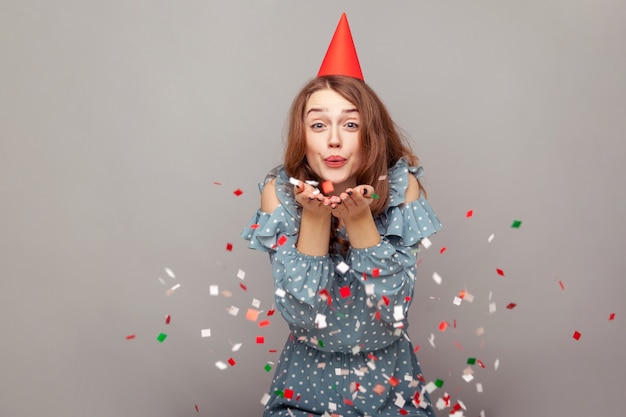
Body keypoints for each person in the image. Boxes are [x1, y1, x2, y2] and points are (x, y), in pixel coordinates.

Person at [241, 13, 442, 417]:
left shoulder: (402, 185)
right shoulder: (278, 192)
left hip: (390, 389)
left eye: (350, 124)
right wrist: (314, 221)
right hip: (306, 391)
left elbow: (395, 313)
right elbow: (303, 318)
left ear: (371, 134)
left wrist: (360, 221)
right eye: (319, 124)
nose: (334, 139)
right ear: (304, 136)